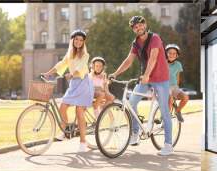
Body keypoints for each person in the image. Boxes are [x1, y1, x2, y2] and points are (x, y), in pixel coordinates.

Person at [109, 16, 173, 156]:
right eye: (135, 27)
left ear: (145, 25)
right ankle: (135, 133)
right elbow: (129, 60)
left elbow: (153, 58)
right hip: (145, 78)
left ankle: (168, 144)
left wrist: (147, 75)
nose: (138, 28)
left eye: (140, 25)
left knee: (164, 110)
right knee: (131, 103)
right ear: (134, 30)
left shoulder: (155, 38)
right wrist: (116, 73)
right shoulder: (136, 43)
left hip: (160, 78)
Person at [41, 29, 94, 152]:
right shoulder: (69, 54)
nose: (79, 42)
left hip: (84, 83)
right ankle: (66, 132)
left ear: (83, 42)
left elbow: (80, 68)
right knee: (62, 107)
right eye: (76, 39)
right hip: (74, 84)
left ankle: (83, 142)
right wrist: (48, 74)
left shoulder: (85, 55)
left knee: (79, 110)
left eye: (81, 40)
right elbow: (60, 65)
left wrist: (72, 74)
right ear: (72, 40)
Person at [165, 44, 189, 122]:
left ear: (177, 55)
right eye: (170, 53)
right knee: (170, 98)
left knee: (185, 97)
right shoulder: (163, 63)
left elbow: (177, 77)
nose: (172, 55)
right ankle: (165, 119)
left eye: (174, 53)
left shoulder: (178, 64)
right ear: (166, 54)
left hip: (174, 87)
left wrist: (177, 89)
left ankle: (177, 111)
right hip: (164, 86)